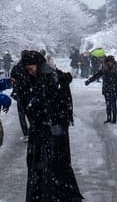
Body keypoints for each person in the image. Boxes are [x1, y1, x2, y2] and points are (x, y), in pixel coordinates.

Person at [16, 50, 83, 202]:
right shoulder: (35, 78)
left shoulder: (51, 77)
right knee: (42, 168)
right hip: (41, 131)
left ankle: (53, 196)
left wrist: (36, 103)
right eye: (27, 69)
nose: (30, 72)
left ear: (38, 65)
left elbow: (55, 104)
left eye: (31, 68)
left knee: (54, 167)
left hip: (52, 131)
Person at [84, 55, 117, 123]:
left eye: (111, 61)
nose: (110, 63)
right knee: (108, 104)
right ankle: (109, 118)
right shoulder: (104, 69)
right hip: (107, 89)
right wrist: (89, 80)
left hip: (114, 89)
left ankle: (114, 119)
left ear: (113, 62)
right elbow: (97, 75)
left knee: (113, 104)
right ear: (106, 62)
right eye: (108, 61)